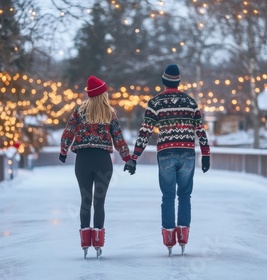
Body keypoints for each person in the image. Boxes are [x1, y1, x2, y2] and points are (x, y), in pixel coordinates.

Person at [124, 64, 210, 256]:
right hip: (187, 153)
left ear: (164, 81)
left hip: (166, 153)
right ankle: (183, 238)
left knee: (168, 196)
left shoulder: (156, 103)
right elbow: (200, 130)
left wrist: (134, 158)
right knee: (185, 195)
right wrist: (206, 154)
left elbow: (145, 131)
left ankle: (169, 238)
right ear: (179, 81)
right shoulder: (190, 102)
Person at [59, 75, 131, 258]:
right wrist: (127, 158)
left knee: (85, 200)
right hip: (102, 161)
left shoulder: (78, 111)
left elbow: (68, 131)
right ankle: (98, 242)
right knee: (99, 202)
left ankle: (85, 242)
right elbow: (119, 138)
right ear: (102, 94)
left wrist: (64, 150)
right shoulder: (109, 113)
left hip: (83, 160)